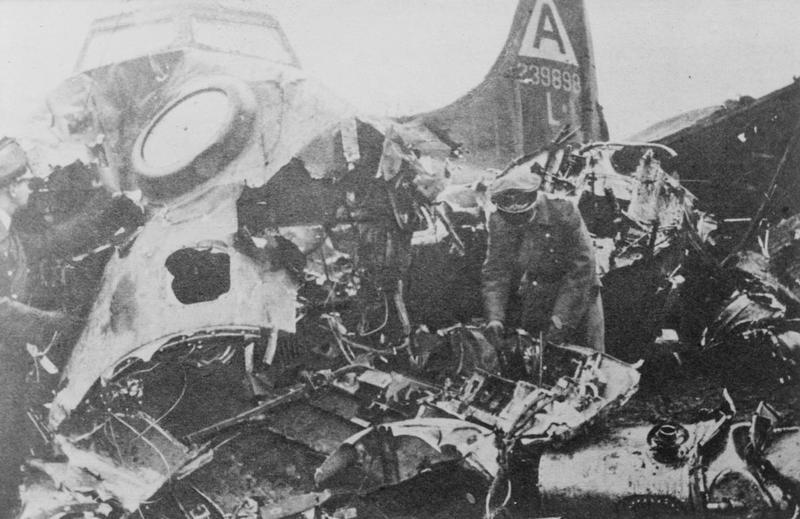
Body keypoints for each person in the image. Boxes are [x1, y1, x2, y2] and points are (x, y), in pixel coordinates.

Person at [481, 160, 604, 352]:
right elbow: (496, 272)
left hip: (577, 295)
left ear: (533, 201)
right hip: (536, 295)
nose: (518, 224)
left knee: (587, 359)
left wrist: (560, 319)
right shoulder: (498, 222)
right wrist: (495, 318)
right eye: (511, 218)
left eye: (522, 216)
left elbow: (581, 271)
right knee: (536, 358)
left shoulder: (564, 212)